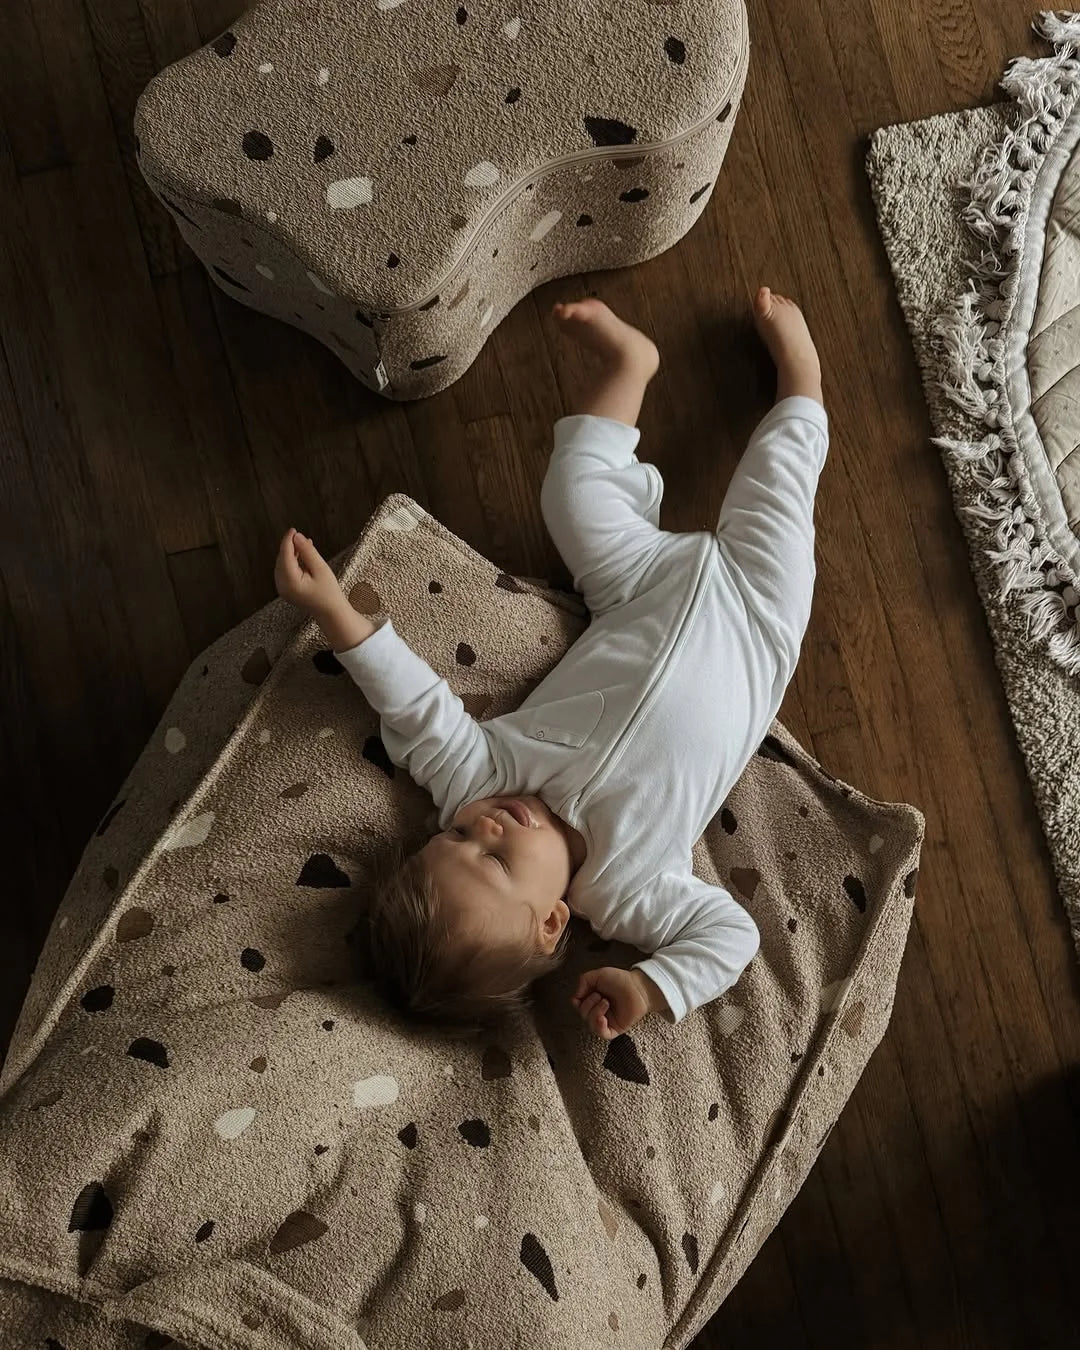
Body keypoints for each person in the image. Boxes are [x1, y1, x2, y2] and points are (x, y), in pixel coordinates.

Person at [274, 288, 827, 1039]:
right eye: (496, 864)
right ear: (552, 923)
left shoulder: (480, 782)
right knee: (781, 474)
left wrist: (336, 614)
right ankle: (801, 379)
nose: (486, 831)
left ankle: (630, 365)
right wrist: (652, 986)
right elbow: (734, 939)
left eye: (456, 839)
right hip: (760, 623)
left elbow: (414, 706)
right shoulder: (633, 890)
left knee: (571, 493)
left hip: (639, 586)